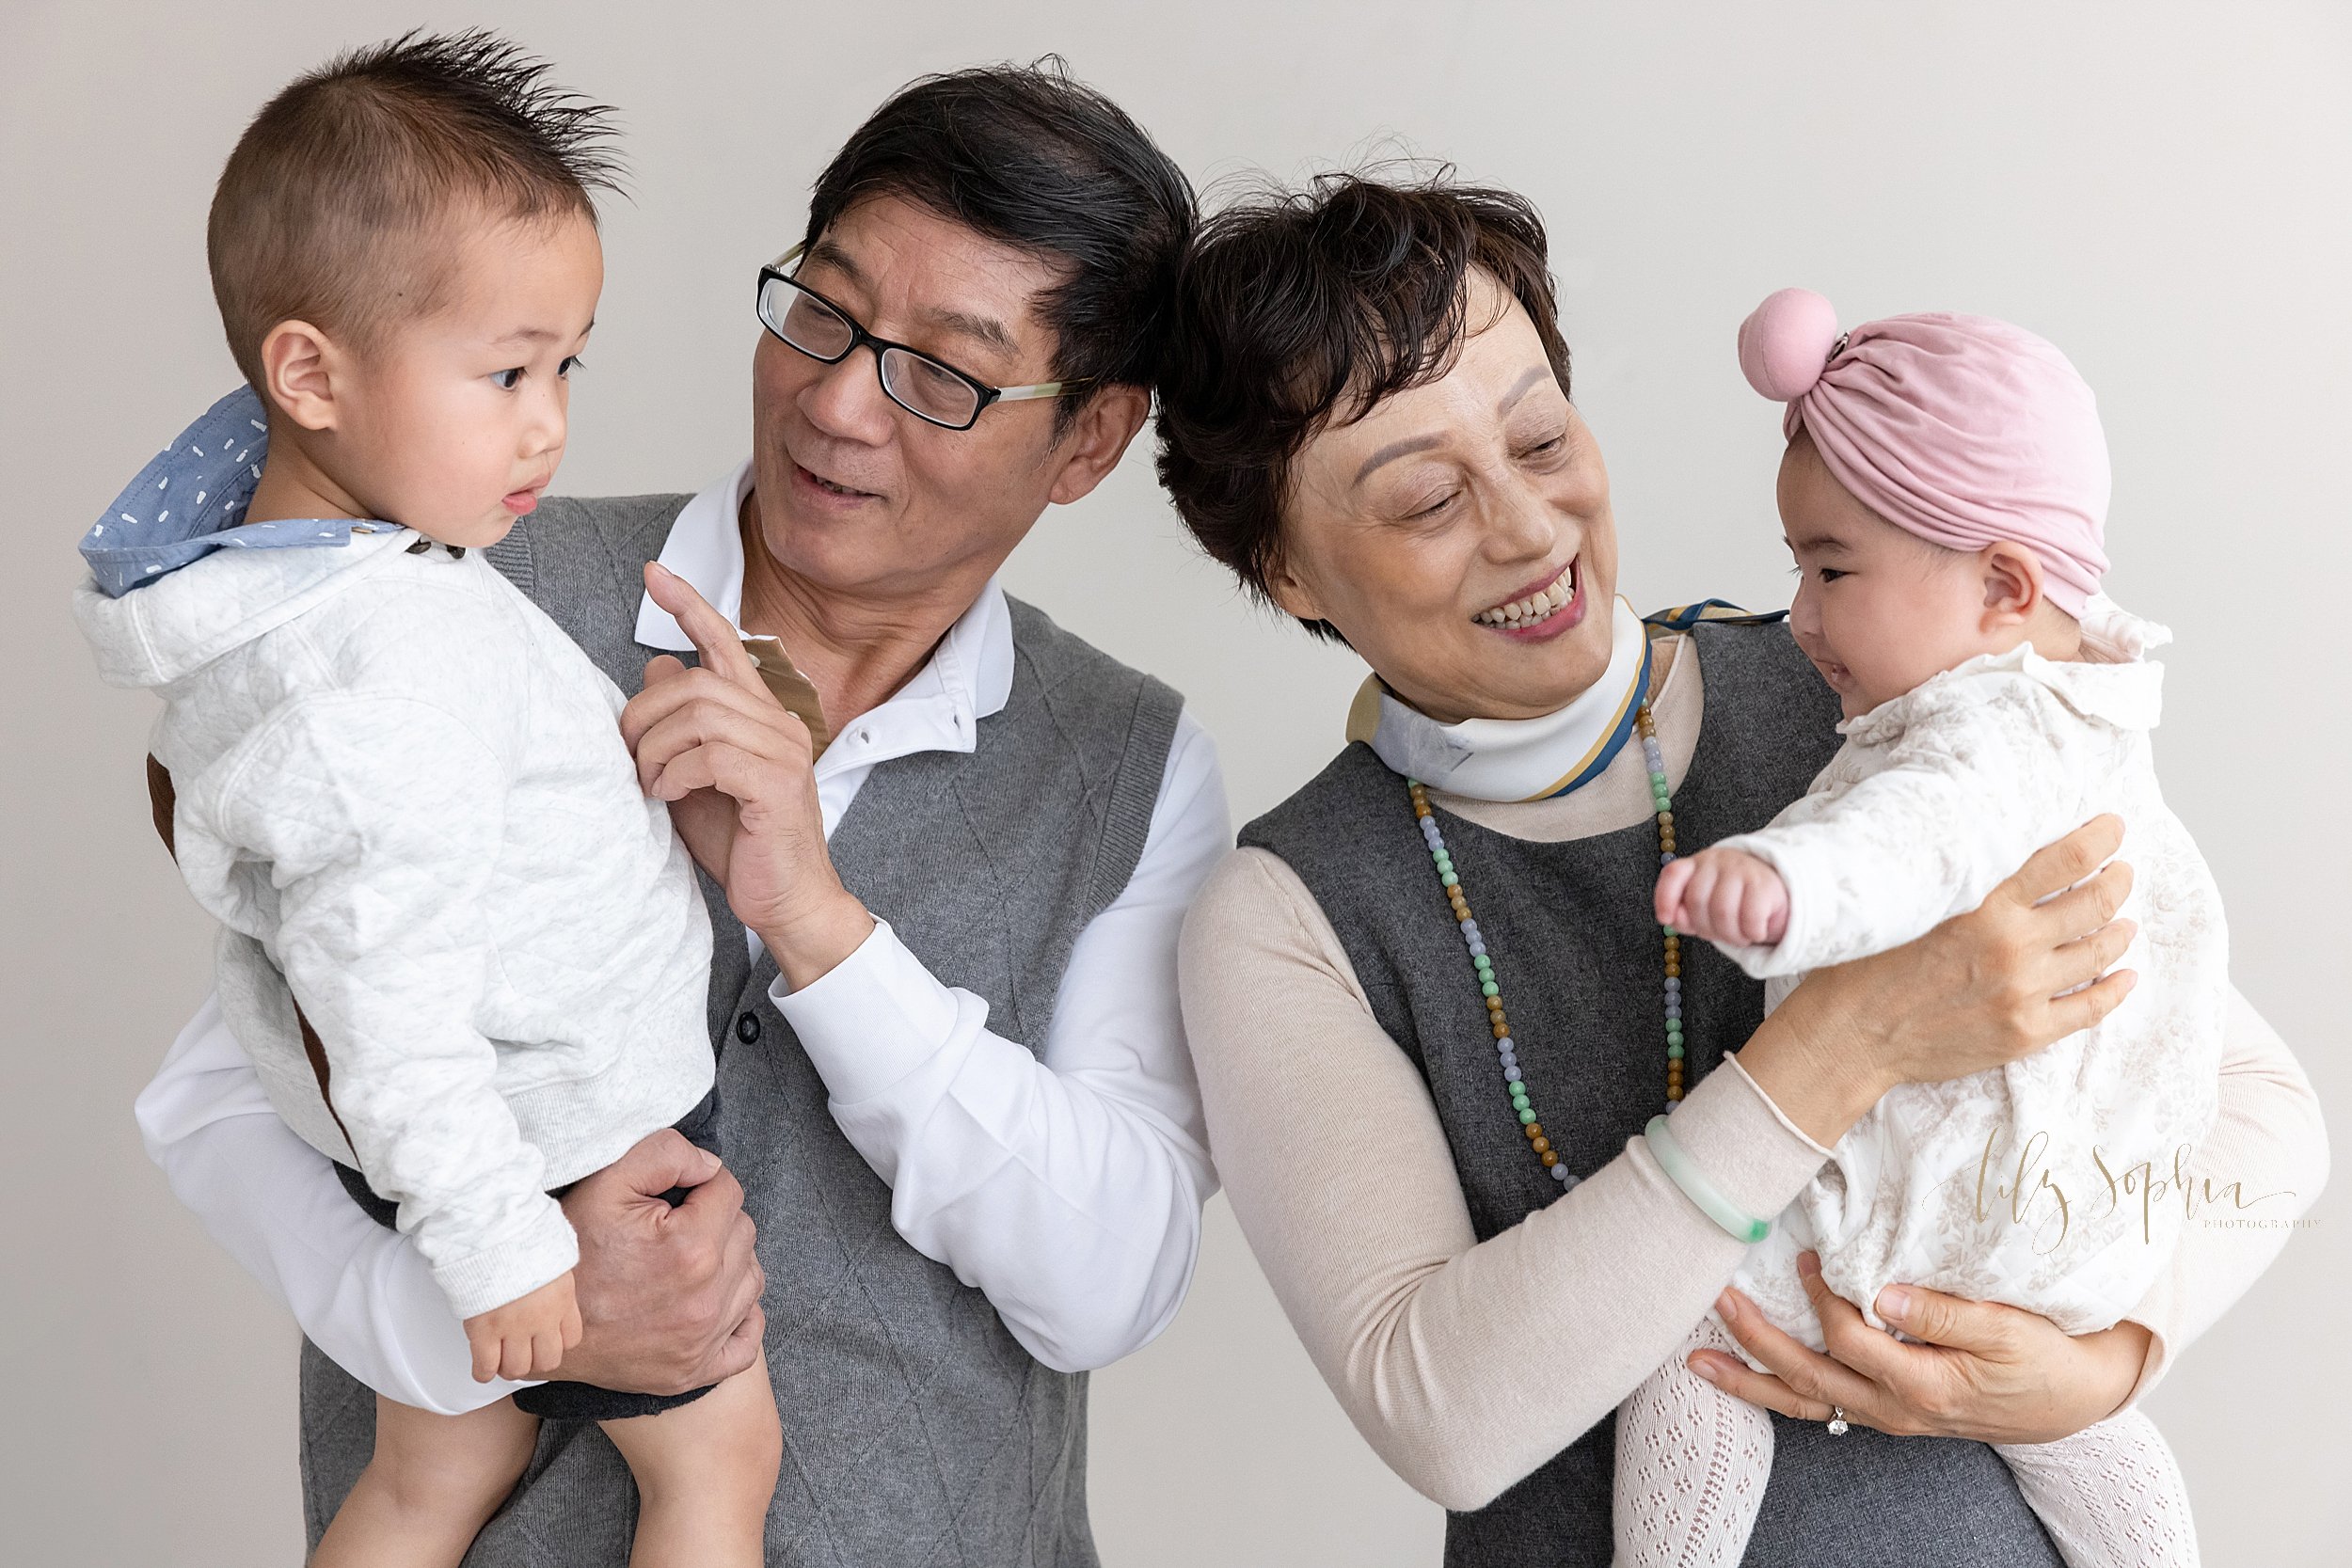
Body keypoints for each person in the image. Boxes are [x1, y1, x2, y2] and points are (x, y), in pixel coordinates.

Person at [134, 60, 1228, 1564]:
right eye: (825, 316)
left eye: (944, 373)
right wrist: (481, 1310)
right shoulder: (448, 592)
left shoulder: (1131, 764)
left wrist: (820, 927)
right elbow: (218, 1089)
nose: (841, 403)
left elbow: (1108, 1279)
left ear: (1090, 440)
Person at [1155, 174, 2327, 1565]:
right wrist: (1843, 1044)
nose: (1530, 530)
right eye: (1424, 499)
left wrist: (2112, 1357)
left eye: (1540, 438)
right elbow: (1443, 1412)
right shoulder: (1288, 913)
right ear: (1286, 568)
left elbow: (2252, 1102)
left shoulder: (1887, 690)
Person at [77, 34, 780, 1566]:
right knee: (720, 1457)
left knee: (426, 1476)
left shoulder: (314, 574)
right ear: (310, 375)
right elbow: (383, 997)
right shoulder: (376, 670)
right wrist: (503, 1249)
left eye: (565, 367)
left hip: (520, 1124)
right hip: (546, 1136)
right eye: (506, 372)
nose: (549, 425)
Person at [1621, 288, 2219, 1567]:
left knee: (1690, 1336)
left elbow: (1914, 840)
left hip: (1946, 1200)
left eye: (1831, 568)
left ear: (2004, 585)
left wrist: (1786, 887)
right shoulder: (2090, 711)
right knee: (2090, 1436)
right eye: (1796, 566)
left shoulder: (1987, 733)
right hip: (2076, 1221)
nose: (1800, 614)